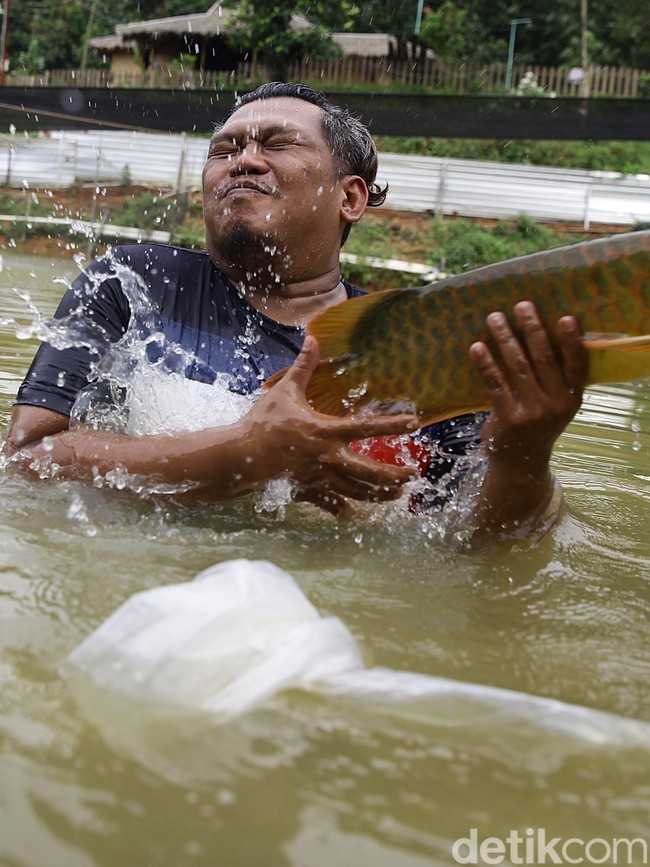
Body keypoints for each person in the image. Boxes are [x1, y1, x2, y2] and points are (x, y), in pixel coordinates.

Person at [5, 82, 588, 542]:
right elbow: (26, 460)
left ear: (350, 197)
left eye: (278, 144)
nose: (244, 161)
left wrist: (522, 458)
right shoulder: (135, 284)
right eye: (225, 150)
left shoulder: (420, 339)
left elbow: (469, 547)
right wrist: (244, 453)